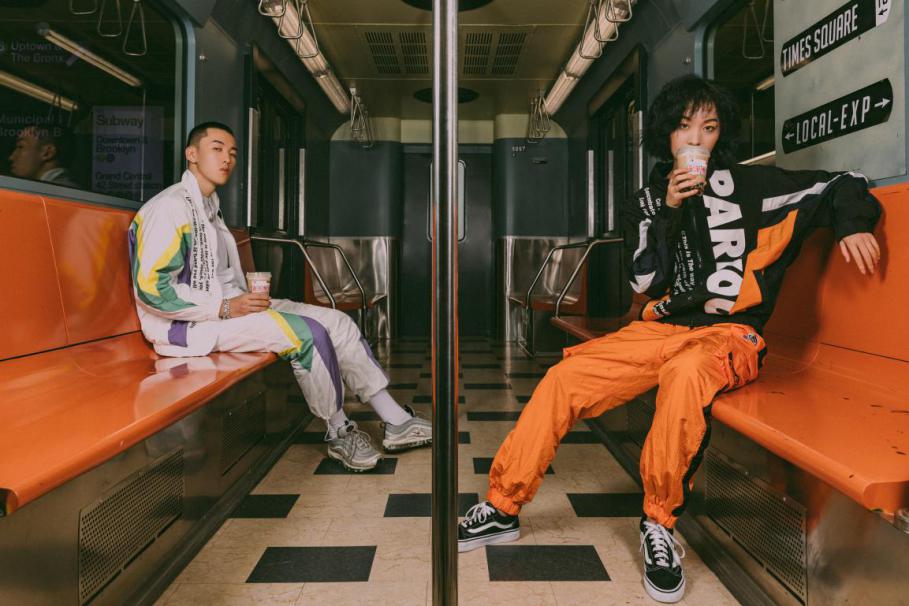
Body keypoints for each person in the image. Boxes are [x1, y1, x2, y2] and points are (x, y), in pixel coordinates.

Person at [457, 75, 882, 603]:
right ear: (666, 136)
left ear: (721, 135)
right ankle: (503, 506)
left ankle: (658, 525)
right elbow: (645, 281)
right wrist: (670, 209)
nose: (696, 140)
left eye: (709, 128)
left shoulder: (756, 187)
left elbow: (843, 181)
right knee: (565, 376)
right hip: (658, 329)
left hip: (729, 334)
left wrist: (853, 224)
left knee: (684, 375)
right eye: (684, 128)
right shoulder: (645, 202)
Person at [128, 121, 431, 472]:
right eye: (217, 149)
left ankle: (395, 421)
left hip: (230, 309)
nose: (227, 159)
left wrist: (240, 300)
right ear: (191, 154)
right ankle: (339, 432)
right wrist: (226, 306)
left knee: (337, 322)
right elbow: (152, 289)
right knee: (307, 335)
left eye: (232, 153)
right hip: (186, 327)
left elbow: (218, 279)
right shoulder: (170, 209)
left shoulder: (209, 208)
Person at [8, 125, 80, 187]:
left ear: (47, 153)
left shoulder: (51, 192)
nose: (11, 157)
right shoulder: (65, 190)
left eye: (20, 146)